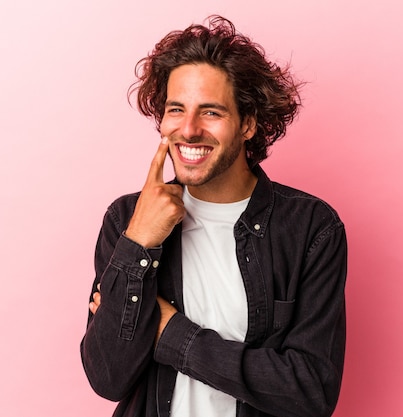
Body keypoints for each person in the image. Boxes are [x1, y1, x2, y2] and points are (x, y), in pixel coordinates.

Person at [80, 15, 347, 417]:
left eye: (211, 112)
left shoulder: (311, 229)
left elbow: (309, 391)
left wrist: (172, 335)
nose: (188, 130)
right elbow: (108, 378)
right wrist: (138, 244)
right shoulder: (125, 220)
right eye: (176, 109)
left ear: (248, 124)